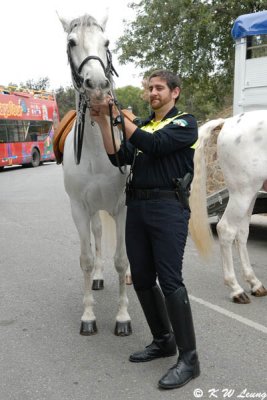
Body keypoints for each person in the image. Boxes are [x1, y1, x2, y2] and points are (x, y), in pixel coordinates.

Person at [90, 69, 200, 390]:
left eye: (159, 88)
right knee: (140, 278)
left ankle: (189, 359)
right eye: (149, 88)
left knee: (170, 282)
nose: (152, 92)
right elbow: (118, 157)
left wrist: (117, 115)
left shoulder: (185, 123)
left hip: (168, 208)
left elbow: (153, 145)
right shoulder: (143, 126)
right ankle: (163, 340)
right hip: (136, 207)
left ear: (174, 92)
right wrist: (102, 122)